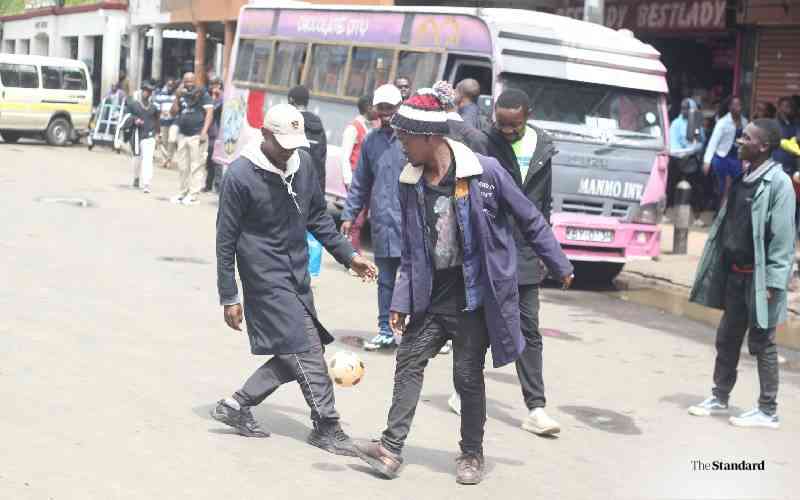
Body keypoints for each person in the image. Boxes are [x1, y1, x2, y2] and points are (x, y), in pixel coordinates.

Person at [353, 85, 574, 485]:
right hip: (432, 292)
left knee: (467, 376)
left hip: (474, 295)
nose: (400, 144)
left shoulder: (484, 172)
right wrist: (401, 298)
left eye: (405, 137)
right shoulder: (410, 180)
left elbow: (529, 217)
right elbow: (411, 248)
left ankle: (471, 454)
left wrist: (559, 262)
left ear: (429, 137)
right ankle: (390, 448)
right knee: (408, 362)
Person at [212, 103, 378, 452]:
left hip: (297, 273)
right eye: (282, 142)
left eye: (294, 142)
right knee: (306, 346)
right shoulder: (240, 175)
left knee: (296, 351)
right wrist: (230, 296)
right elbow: (225, 241)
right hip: (263, 277)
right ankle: (327, 425)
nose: (289, 149)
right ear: (265, 134)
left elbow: (318, 218)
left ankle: (237, 405)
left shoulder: (301, 167)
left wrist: (350, 256)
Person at [449, 87, 563, 435]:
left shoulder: (542, 147)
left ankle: (536, 407)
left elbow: (542, 205)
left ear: (526, 116)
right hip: (491, 248)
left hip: (526, 252)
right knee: (482, 326)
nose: (506, 130)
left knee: (529, 327)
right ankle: (463, 389)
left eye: (513, 125)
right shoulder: (484, 141)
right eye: (500, 123)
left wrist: (546, 251)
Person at [688, 119, 795, 429]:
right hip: (735, 274)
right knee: (727, 338)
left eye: (746, 137)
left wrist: (774, 283)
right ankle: (720, 397)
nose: (739, 141)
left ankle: (767, 410)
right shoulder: (743, 176)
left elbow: (783, 241)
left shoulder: (779, 184)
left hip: (759, 279)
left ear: (763, 146)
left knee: (763, 342)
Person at [340, 85, 405, 352]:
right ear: (376, 110)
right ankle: (385, 330)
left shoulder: (414, 138)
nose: (387, 114)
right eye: (383, 109)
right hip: (383, 222)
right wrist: (349, 214)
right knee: (386, 280)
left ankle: (419, 334)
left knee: (416, 281)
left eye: (392, 108)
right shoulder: (371, 141)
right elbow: (361, 182)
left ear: (401, 106)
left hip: (412, 224)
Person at [169, 72, 214, 205]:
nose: (188, 84)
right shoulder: (181, 95)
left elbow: (209, 113)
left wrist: (204, 132)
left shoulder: (202, 94)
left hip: (197, 135)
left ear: (195, 81)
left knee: (196, 166)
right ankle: (183, 192)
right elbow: (173, 112)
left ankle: (193, 195)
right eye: (186, 81)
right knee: (183, 166)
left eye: (191, 81)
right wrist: (176, 98)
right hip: (183, 135)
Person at [340, 94, 377, 253]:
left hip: (367, 179)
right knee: (356, 217)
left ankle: (352, 249)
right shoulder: (353, 128)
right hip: (356, 178)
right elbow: (344, 157)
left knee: (362, 216)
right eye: (376, 106)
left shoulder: (371, 126)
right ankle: (352, 252)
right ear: (369, 107)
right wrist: (349, 181)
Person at [668, 98, 707, 227]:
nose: (684, 111)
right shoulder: (676, 123)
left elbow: (701, 142)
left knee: (696, 190)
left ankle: (696, 217)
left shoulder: (697, 123)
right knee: (673, 187)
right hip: (677, 160)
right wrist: (684, 152)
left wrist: (691, 150)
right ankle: (666, 214)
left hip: (692, 160)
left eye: (687, 108)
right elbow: (673, 144)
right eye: (682, 108)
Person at [704, 96, 748, 203]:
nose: (738, 107)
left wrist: (745, 161)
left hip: (736, 159)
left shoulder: (745, 122)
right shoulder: (723, 122)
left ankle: (728, 213)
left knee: (735, 188)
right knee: (724, 189)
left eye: (740, 105)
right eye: (736, 105)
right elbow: (713, 143)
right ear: (730, 107)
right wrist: (707, 161)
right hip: (722, 158)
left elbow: (746, 141)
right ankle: (720, 214)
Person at [288, 85, 327, 195]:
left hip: (291, 187)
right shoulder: (317, 123)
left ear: (291, 100)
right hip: (312, 187)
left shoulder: (291, 121)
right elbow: (321, 159)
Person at [126, 81, 161, 194]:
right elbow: (127, 116)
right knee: (137, 159)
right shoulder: (134, 105)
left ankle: (146, 183)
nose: (146, 93)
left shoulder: (154, 108)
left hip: (149, 136)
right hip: (136, 135)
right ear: (141, 92)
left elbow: (157, 121)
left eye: (149, 91)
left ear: (151, 94)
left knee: (148, 159)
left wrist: (158, 134)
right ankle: (136, 178)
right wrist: (135, 120)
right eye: (145, 91)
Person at [203, 77, 225, 193]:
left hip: (218, 133)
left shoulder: (222, 98)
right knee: (209, 160)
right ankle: (208, 184)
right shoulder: (210, 96)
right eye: (212, 84)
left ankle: (217, 185)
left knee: (217, 160)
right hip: (210, 132)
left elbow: (215, 109)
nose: (213, 87)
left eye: (216, 84)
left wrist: (216, 96)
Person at [153, 79, 178, 169]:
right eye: (169, 85)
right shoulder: (160, 95)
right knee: (163, 142)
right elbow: (156, 108)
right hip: (163, 121)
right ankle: (166, 160)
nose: (170, 87)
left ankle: (169, 158)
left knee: (172, 140)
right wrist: (162, 112)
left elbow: (179, 107)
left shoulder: (176, 95)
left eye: (172, 85)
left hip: (174, 121)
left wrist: (173, 112)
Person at [773, 96, 798, 176]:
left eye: (790, 107)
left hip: (792, 166)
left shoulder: (795, 124)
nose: (789, 109)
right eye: (786, 106)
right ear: (779, 108)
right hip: (777, 165)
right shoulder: (773, 124)